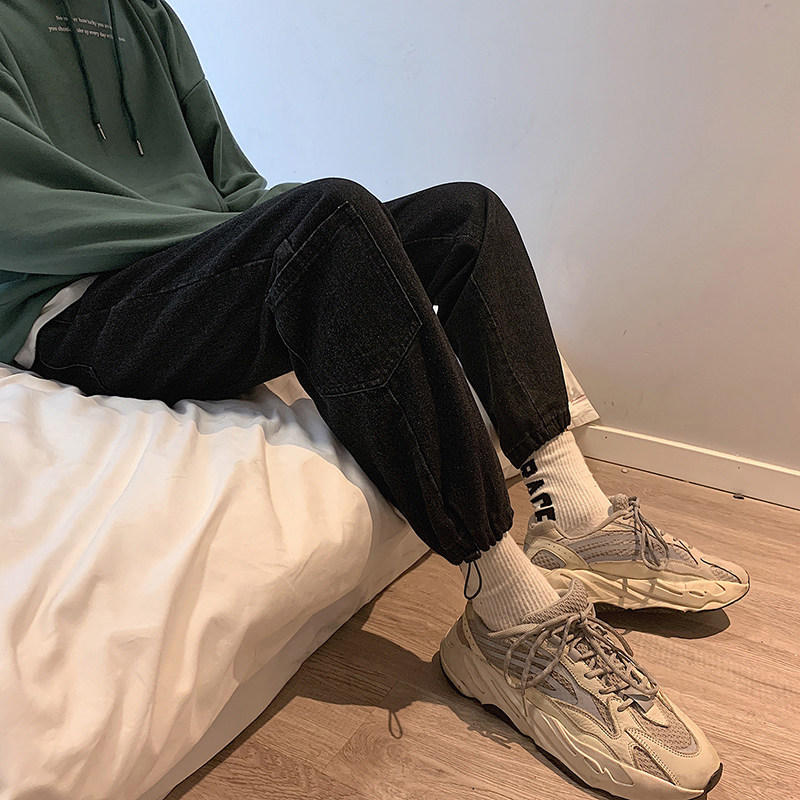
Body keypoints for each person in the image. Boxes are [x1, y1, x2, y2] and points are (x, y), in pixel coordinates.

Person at [0, 2, 748, 798]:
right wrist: (259, 233)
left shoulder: (144, 14)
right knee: (328, 223)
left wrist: (342, 228)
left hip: (187, 263)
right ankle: (503, 611)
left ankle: (575, 517)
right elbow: (20, 213)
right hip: (72, 304)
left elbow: (232, 182)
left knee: (464, 216)